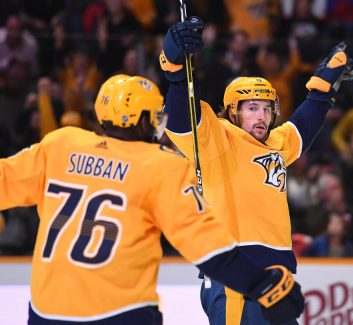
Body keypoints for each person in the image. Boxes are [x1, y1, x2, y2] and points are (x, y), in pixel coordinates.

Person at [0, 74, 304, 324]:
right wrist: (259, 283)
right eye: (156, 114)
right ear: (143, 118)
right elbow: (207, 244)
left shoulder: (60, 144)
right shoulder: (159, 165)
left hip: (46, 310)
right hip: (122, 310)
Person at [159, 16, 353, 324]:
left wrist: (321, 89)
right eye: (252, 108)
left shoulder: (275, 143)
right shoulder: (218, 138)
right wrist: (174, 68)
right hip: (235, 273)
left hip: (277, 278)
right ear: (232, 112)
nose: (262, 116)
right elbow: (182, 117)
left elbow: (301, 128)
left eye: (267, 108)